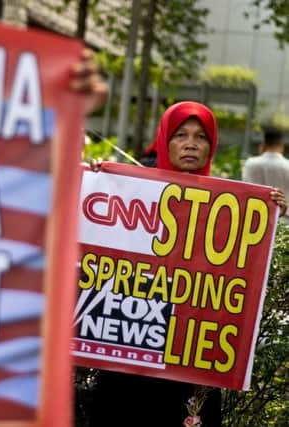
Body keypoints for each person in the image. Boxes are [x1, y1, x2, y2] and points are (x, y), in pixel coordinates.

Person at [87, 101, 287, 427]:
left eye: (201, 137)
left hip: (190, 351)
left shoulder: (230, 202)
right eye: (181, 135)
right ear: (166, 140)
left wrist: (273, 211)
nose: (191, 143)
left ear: (211, 146)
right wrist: (96, 180)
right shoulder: (133, 185)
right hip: (132, 345)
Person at [242, 125, 289, 218]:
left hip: (255, 217)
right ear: (281, 145)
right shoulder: (287, 165)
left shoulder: (250, 163)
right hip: (285, 220)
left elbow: (245, 190)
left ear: (264, 144)